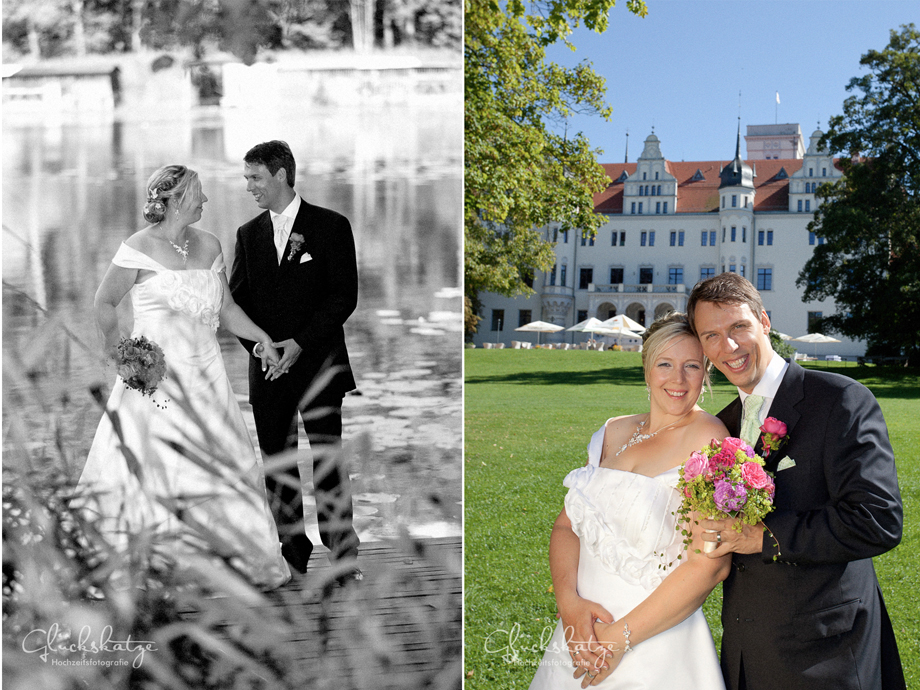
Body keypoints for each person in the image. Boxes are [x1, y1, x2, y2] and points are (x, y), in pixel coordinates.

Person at [687, 272, 905, 690]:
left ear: (765, 321)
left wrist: (763, 537)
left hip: (829, 655)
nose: (727, 347)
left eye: (739, 327)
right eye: (710, 335)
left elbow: (877, 520)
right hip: (747, 653)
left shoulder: (840, 400)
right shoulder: (720, 427)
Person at [78, 164, 290, 589]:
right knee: (153, 465)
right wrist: (120, 356)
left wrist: (263, 338)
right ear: (175, 199)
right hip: (155, 376)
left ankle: (228, 561)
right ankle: (150, 563)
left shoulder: (210, 245)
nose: (205, 201)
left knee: (221, 462)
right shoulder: (137, 248)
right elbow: (104, 303)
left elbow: (225, 309)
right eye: (199, 194)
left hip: (207, 373)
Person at [530, 312, 732, 689]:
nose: (678, 379)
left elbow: (709, 567)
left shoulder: (710, 440)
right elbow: (566, 525)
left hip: (653, 643)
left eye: (691, 365)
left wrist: (616, 639)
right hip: (580, 631)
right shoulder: (613, 430)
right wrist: (569, 607)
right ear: (646, 368)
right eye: (665, 364)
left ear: (706, 372)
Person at [229, 140, 361, 583]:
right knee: (277, 465)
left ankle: (343, 555)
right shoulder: (248, 235)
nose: (249, 186)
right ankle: (293, 553)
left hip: (319, 364)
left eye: (255, 178)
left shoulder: (331, 226)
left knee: (327, 461)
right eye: (247, 178)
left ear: (282, 175)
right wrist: (263, 348)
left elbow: (344, 296)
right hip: (267, 370)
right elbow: (237, 303)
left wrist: (299, 344)